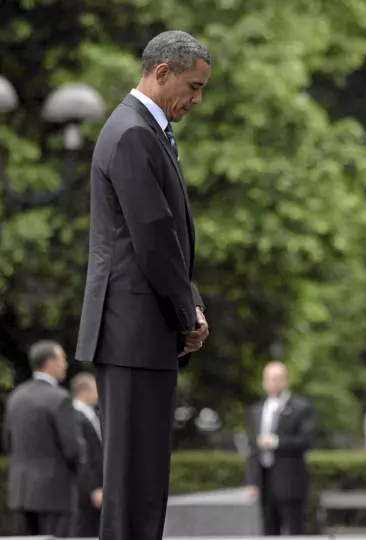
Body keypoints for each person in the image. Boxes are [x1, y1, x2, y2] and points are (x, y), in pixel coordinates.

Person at [75, 30, 211, 540]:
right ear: (161, 72)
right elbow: (152, 240)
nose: (196, 100)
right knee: (134, 488)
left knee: (144, 483)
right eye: (193, 87)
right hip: (132, 333)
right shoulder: (133, 132)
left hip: (139, 333)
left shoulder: (141, 130)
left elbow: (163, 238)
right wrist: (187, 317)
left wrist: (188, 307)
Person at [3, 340, 82, 537]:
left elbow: (8, 441)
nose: (65, 364)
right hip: (55, 492)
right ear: (51, 362)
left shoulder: (16, 396)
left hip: (21, 492)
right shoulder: (60, 398)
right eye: (62, 359)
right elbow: (73, 448)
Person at [245, 362, 318, 535]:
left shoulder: (301, 408)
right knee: (269, 530)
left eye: (278, 379)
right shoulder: (257, 410)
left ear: (286, 381)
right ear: (264, 382)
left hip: (291, 482)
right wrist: (252, 481)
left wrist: (275, 442)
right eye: (270, 379)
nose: (274, 383)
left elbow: (307, 440)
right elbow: (253, 449)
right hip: (265, 481)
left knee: (295, 529)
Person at [71, 373, 103, 537]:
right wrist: (92, 488)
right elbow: (83, 457)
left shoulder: (93, 414)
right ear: (84, 390)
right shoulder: (74, 416)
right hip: (87, 491)